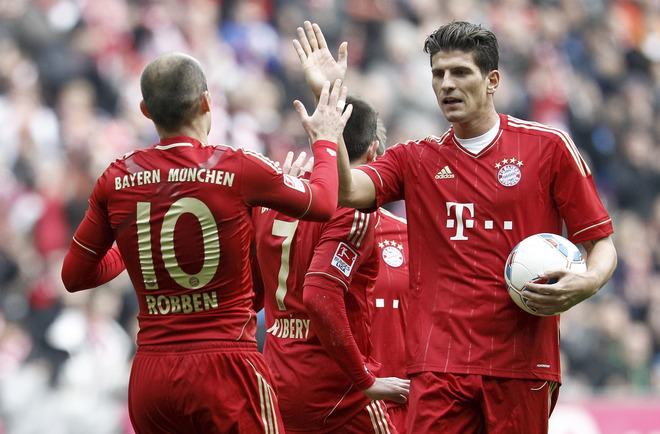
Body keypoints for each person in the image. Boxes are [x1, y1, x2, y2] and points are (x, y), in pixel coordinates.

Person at [294, 21, 618, 433]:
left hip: (521, 363)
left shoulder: (548, 148)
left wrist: (587, 283)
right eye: (438, 74)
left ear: (492, 81)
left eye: (460, 72)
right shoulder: (415, 158)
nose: (447, 84)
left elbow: (601, 243)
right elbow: (345, 189)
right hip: (438, 366)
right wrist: (329, 99)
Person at [60, 51, 353, 433]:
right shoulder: (238, 167)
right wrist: (326, 141)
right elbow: (324, 202)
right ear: (206, 101)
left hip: (151, 376)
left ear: (146, 110)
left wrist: (130, 243)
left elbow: (74, 276)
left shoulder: (115, 178)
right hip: (226, 368)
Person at [251, 94, 409, 433]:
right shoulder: (356, 213)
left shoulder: (273, 201)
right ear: (374, 153)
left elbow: (251, 294)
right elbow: (319, 297)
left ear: (316, 140)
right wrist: (364, 378)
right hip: (337, 392)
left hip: (277, 381)